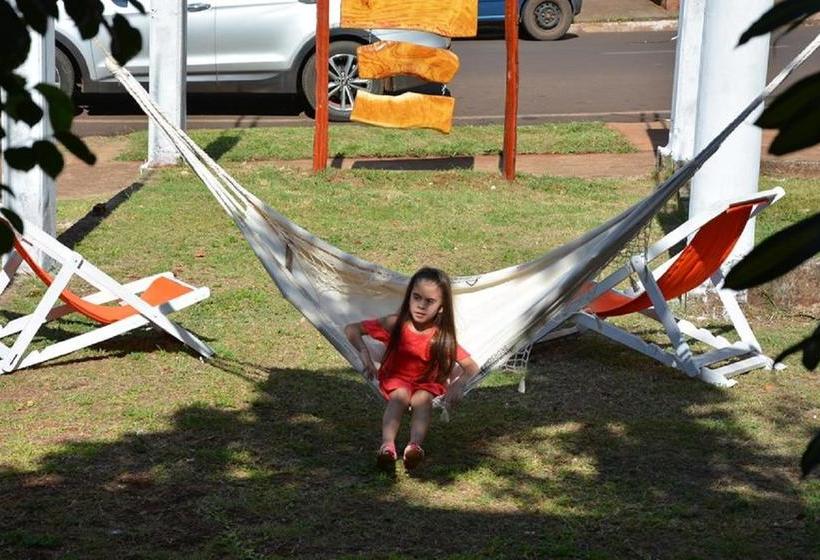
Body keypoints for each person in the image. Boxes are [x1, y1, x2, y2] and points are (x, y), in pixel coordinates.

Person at [345, 267, 479, 471]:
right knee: (400, 395)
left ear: (441, 307)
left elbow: (471, 366)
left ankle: (414, 446)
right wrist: (364, 355)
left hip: (425, 384)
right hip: (395, 380)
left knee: (423, 399)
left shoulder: (441, 337)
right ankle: (387, 446)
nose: (421, 306)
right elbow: (352, 329)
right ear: (409, 297)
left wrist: (459, 384)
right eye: (416, 297)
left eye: (430, 301)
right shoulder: (395, 324)